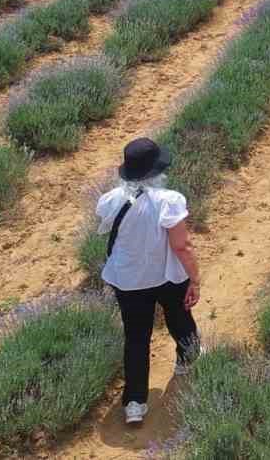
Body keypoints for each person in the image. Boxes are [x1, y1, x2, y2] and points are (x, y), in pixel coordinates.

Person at [95, 138, 201, 426]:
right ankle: (187, 361)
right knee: (180, 318)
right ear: (157, 171)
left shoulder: (111, 200)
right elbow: (181, 246)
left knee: (137, 338)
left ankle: (134, 403)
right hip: (166, 275)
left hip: (128, 280)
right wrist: (195, 279)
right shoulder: (170, 201)